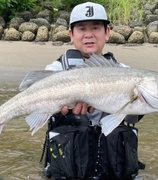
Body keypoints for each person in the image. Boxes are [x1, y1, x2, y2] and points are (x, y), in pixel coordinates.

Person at [41, 2, 144, 180]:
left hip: (113, 169)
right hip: (70, 168)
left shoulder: (126, 73)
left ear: (107, 33)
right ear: (71, 35)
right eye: (81, 28)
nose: (89, 35)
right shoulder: (54, 71)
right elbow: (37, 109)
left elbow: (133, 117)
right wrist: (68, 116)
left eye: (96, 27)